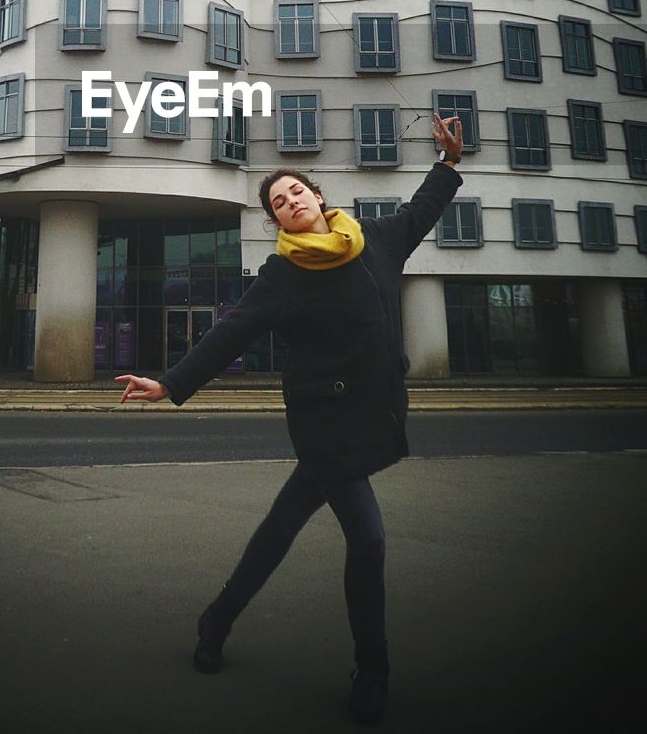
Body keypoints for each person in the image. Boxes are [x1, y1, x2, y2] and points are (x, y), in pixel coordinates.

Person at [116, 114, 463, 726]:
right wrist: (170, 383)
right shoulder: (282, 274)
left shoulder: (374, 240)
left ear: (318, 197)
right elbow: (228, 332)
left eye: (296, 191)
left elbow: (421, 212)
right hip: (325, 424)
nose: (290, 201)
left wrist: (448, 163)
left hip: (372, 414)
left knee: (280, 528)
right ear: (276, 221)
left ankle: (216, 619)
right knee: (370, 538)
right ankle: (373, 668)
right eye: (278, 202)